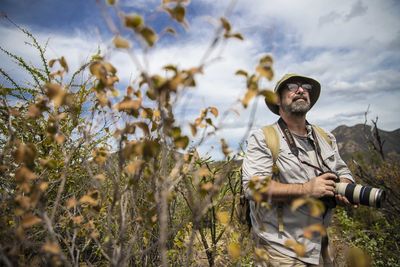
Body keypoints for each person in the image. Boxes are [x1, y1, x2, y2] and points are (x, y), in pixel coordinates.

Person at [241, 73, 354, 266]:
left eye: (306, 88)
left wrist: (346, 186)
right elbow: (254, 188)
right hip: (280, 251)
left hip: (321, 246)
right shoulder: (263, 138)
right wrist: (306, 189)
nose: (301, 90)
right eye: (292, 86)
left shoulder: (326, 137)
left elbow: (343, 171)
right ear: (277, 100)